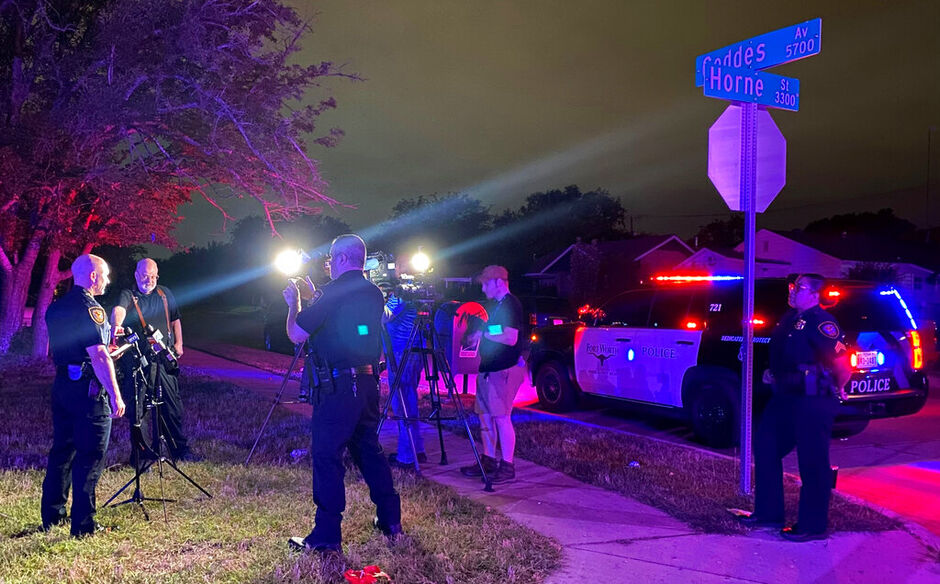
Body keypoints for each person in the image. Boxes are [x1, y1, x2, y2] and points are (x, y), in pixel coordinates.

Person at [284, 234, 403, 553]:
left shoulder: (332, 292)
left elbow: (296, 333)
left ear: (341, 258)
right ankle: (390, 519)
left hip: (337, 389)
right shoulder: (373, 292)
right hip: (367, 385)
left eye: (330, 259)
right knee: (368, 450)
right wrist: (315, 295)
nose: (328, 264)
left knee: (327, 456)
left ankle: (326, 534)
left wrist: (294, 303)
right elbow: (341, 318)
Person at [743, 274, 851, 542]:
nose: (793, 291)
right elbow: (786, 358)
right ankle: (768, 514)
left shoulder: (822, 322)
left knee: (812, 460)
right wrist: (772, 373)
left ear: (815, 295)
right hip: (785, 397)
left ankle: (813, 526)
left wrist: (838, 386)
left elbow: (842, 363)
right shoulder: (790, 318)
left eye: (800, 287)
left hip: (812, 400)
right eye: (793, 286)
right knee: (766, 446)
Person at [41, 254, 126, 537]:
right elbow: (99, 356)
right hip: (88, 392)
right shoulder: (92, 309)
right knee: (89, 457)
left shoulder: (55, 308)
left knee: (61, 452)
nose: (107, 281)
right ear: (92, 276)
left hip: (63, 386)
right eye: (105, 275)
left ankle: (52, 516)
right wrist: (116, 396)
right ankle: (84, 525)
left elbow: (67, 347)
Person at [110, 258, 188, 462]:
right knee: (140, 409)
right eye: (145, 276)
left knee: (172, 406)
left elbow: (176, 319)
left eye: (153, 276)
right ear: (137, 275)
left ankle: (179, 451)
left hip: (163, 359)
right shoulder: (128, 295)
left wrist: (179, 343)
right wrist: (116, 326)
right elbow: (119, 310)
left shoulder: (164, 293)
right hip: (138, 362)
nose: (150, 280)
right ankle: (142, 455)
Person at [460, 265, 526, 484]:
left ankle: (507, 466)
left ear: (499, 283)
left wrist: (483, 334)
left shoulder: (511, 304)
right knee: (485, 416)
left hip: (502, 370)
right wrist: (479, 335)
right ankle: (488, 460)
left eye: (485, 284)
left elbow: (511, 337)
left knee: (501, 418)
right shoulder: (495, 306)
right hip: (488, 369)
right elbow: (496, 331)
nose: (483, 289)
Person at [378, 281, 427, 469]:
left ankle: (406, 456)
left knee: (402, 404)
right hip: (414, 351)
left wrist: (376, 300)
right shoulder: (415, 296)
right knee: (410, 400)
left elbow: (383, 317)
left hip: (400, 354)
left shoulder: (400, 296)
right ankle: (417, 449)